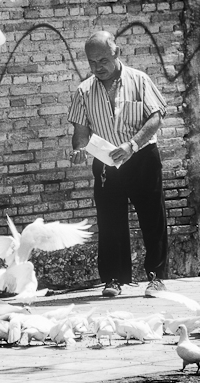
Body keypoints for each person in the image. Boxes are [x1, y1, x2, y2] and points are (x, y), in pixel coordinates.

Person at [67, 30, 168, 298]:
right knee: (110, 221)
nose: (97, 67)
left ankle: (156, 278)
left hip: (141, 157)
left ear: (117, 53)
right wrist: (79, 150)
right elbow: (80, 133)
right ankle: (114, 279)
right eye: (92, 62)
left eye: (103, 60)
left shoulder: (139, 80)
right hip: (106, 162)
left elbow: (156, 118)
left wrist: (132, 145)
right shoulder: (83, 91)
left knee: (152, 218)